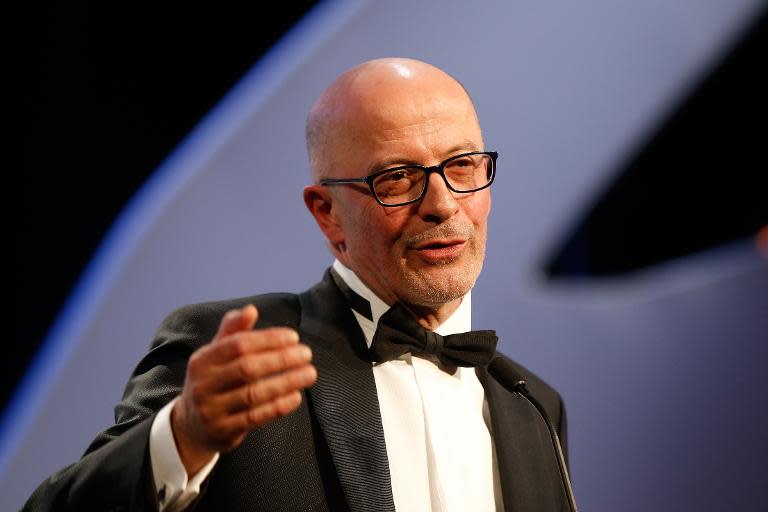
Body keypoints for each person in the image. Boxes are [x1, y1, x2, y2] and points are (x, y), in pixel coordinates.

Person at [24, 58, 569, 511]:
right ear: (327, 213)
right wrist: (182, 436)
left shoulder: (534, 407)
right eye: (397, 178)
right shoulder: (233, 356)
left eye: (463, 166)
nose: (443, 204)